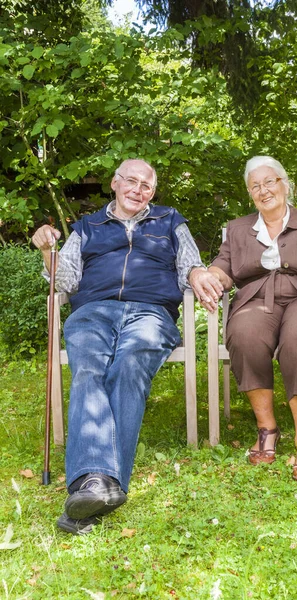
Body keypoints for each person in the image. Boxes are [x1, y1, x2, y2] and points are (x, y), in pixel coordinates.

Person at [32, 158, 208, 534]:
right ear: (114, 182)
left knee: (129, 365)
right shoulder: (87, 227)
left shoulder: (170, 221)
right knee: (90, 370)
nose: (138, 190)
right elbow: (65, 280)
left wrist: (198, 273)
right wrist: (48, 250)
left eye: (146, 185)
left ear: (153, 193)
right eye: (131, 181)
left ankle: (90, 486)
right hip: (93, 310)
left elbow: (191, 265)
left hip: (151, 312)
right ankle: (102, 485)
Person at [190, 156, 297, 482]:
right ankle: (267, 429)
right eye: (255, 186)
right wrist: (210, 278)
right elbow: (224, 266)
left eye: (269, 182)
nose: (264, 190)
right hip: (256, 300)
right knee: (244, 334)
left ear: (284, 184)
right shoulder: (238, 229)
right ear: (250, 194)